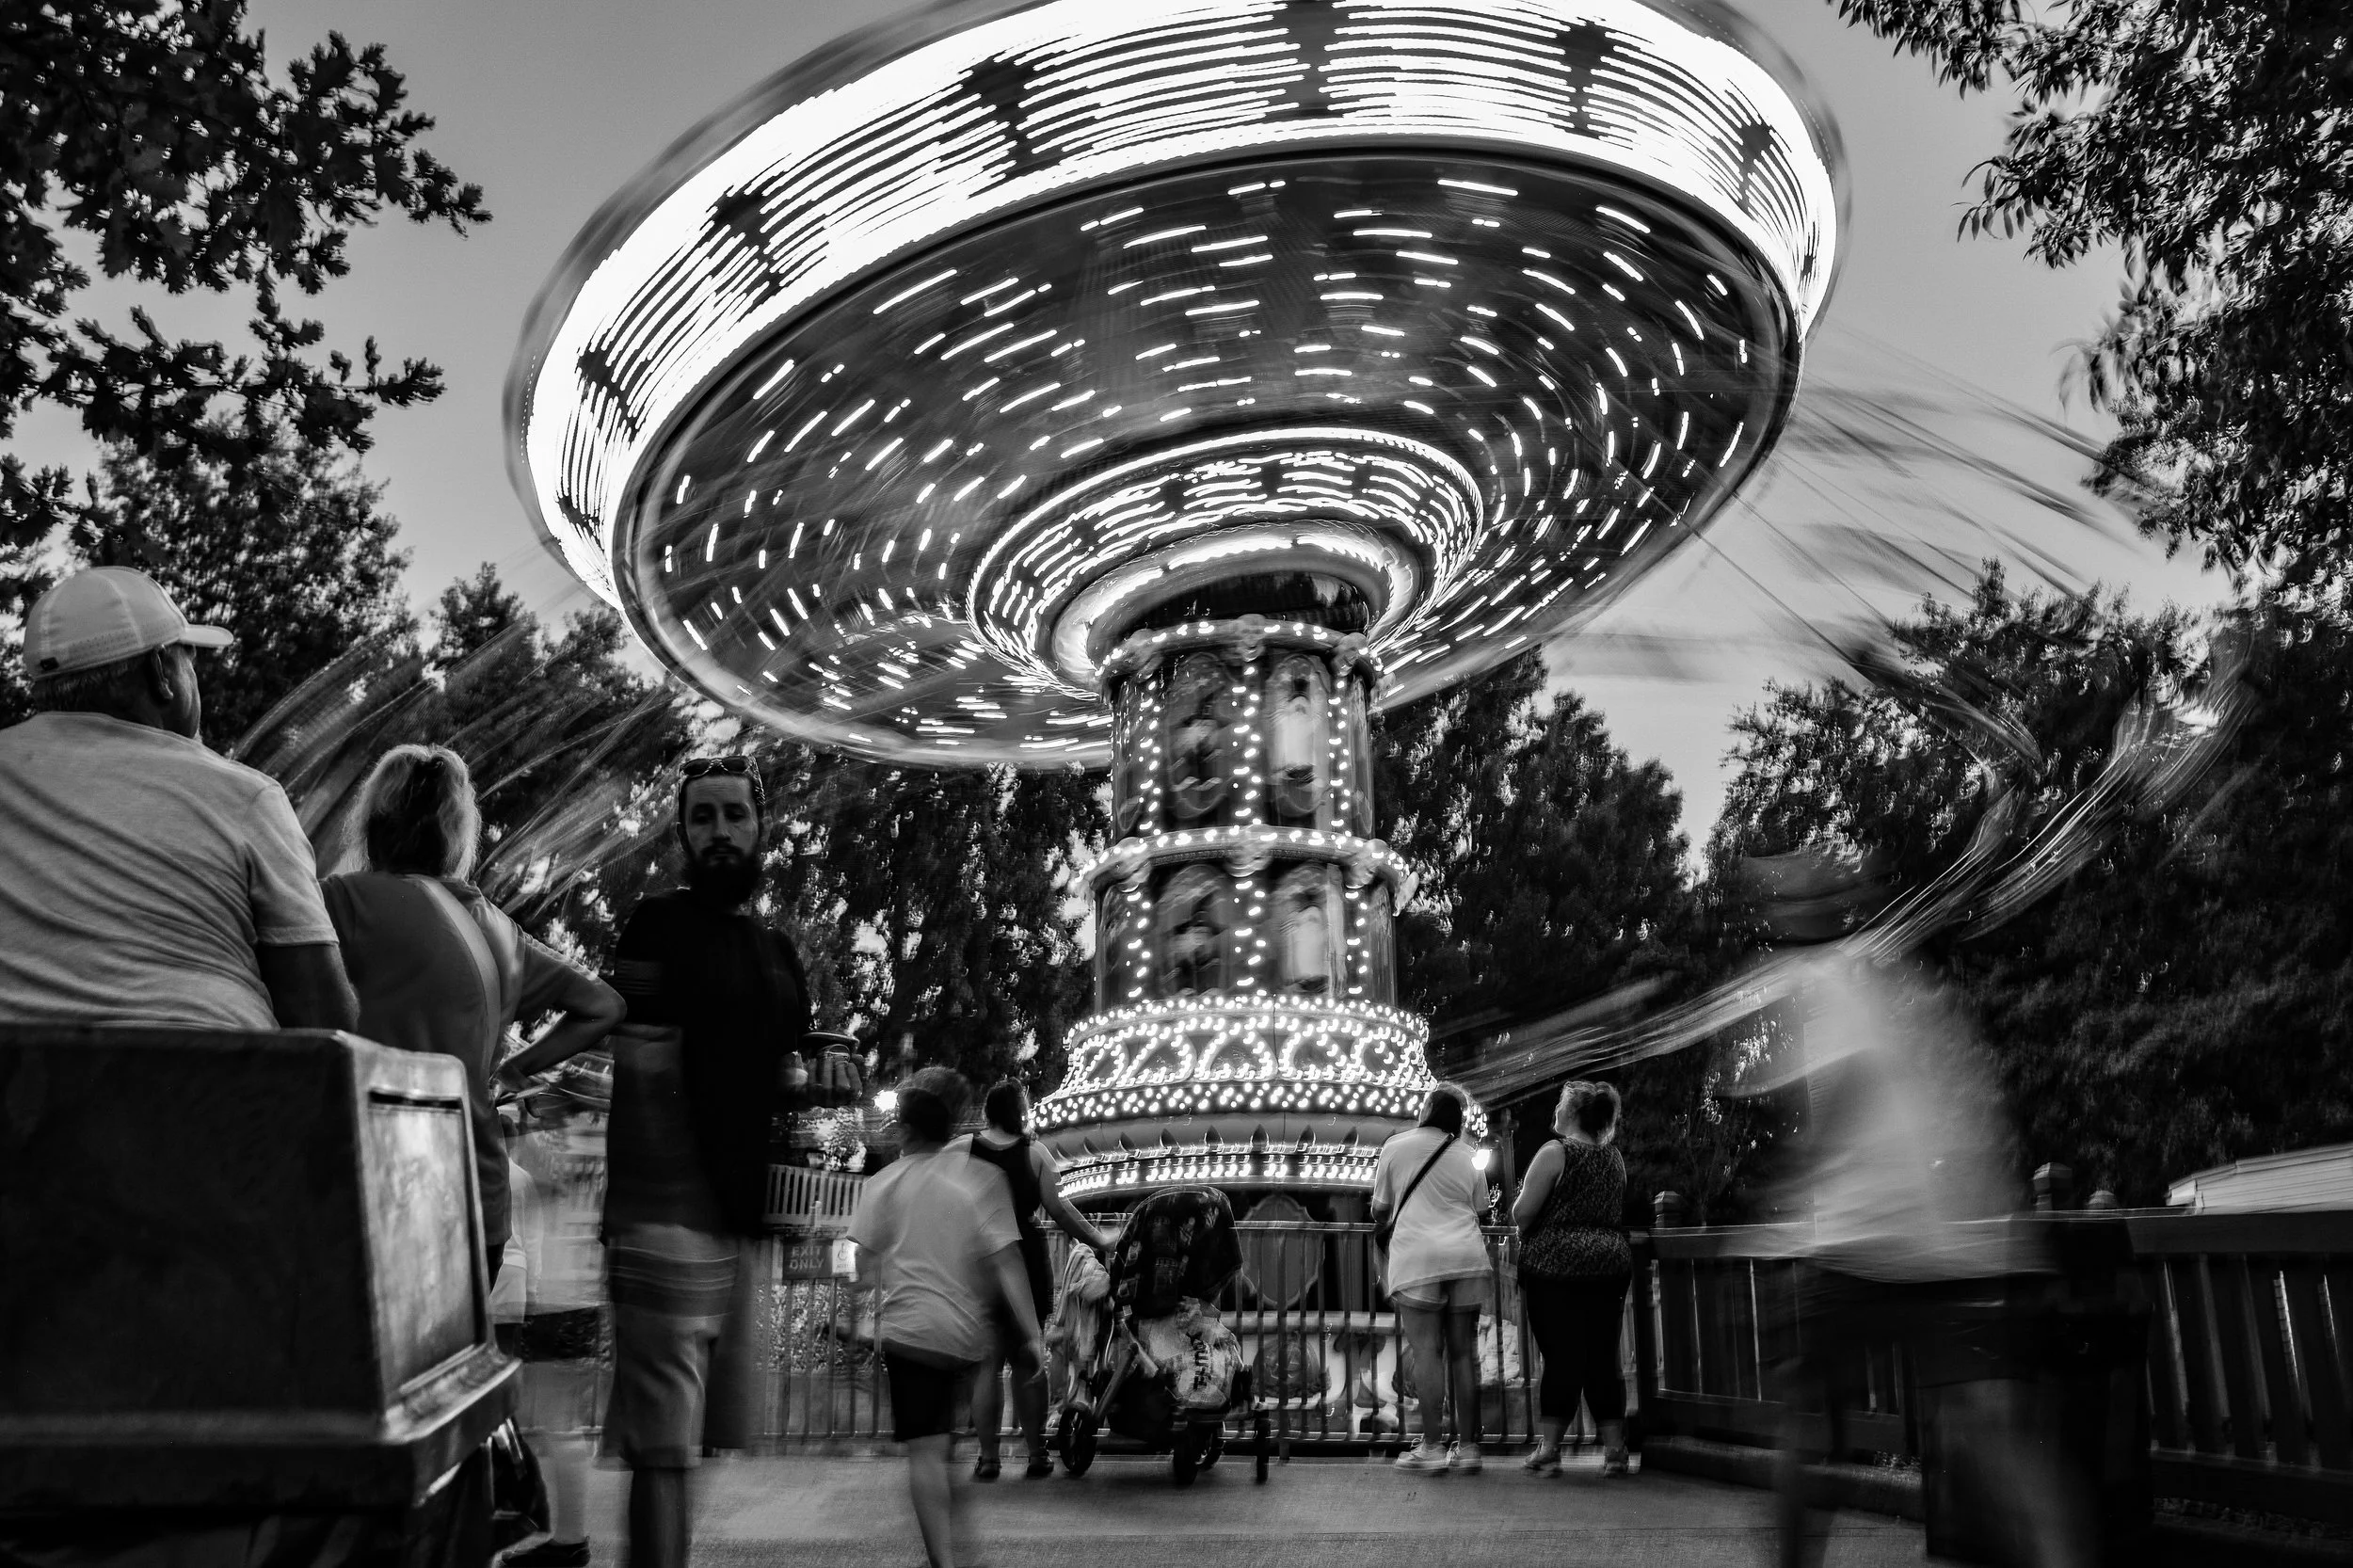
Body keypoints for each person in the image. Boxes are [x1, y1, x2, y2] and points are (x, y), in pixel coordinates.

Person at [600, 756, 812, 1568]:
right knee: (663, 1451)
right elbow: (638, 1059)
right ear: (682, 834)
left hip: (739, 1226)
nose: (719, 832)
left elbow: (796, 1074)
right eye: (702, 818)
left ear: (762, 828)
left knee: (695, 1446)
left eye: (734, 815)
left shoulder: (777, 952)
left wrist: (824, 1074)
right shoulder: (654, 925)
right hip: (666, 1217)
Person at [0, 567, 356, 1032]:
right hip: (197, 1087)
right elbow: (321, 1018)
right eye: (189, 660)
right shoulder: (243, 797)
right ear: (160, 673)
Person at [322, 744, 625, 1277]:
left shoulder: (342, 902)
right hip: (476, 1202)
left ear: (373, 825)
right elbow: (604, 1005)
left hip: (374, 1189)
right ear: (458, 834)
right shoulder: (499, 931)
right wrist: (520, 1066)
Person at [848, 1067, 1042, 1568]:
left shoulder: (883, 1185)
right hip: (964, 1336)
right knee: (944, 1446)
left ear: (907, 1130)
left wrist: (857, 1310)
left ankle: (943, 1560)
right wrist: (1034, 1334)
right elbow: (1007, 1261)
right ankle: (949, 1545)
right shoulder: (981, 1180)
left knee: (927, 1454)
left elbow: (862, 1265)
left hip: (910, 1333)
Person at [959, 1079, 1111, 1480]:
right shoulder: (1035, 1154)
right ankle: (1036, 1454)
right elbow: (1059, 1210)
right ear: (1019, 1111)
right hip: (1024, 1256)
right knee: (1029, 1358)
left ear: (988, 1110)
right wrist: (1098, 1239)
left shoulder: (963, 1150)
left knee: (985, 1364)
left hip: (978, 1261)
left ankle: (988, 1458)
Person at [1512, 1080, 1633, 1476]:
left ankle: (1549, 1448)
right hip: (1609, 1266)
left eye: (1562, 1105)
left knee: (1561, 1356)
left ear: (1574, 1112)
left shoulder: (1555, 1152)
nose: (1556, 1111)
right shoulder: (1613, 1157)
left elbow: (1523, 1213)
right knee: (1601, 1356)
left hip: (1556, 1267)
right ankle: (1615, 1450)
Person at [1372, 1081, 1495, 1473]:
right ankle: (1471, 1448)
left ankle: (1432, 1446)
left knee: (1427, 1351)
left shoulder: (1395, 1147)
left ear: (1425, 1111)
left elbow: (1380, 1209)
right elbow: (1480, 1210)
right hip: (1465, 1256)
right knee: (1464, 1353)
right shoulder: (1468, 1155)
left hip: (1418, 1259)